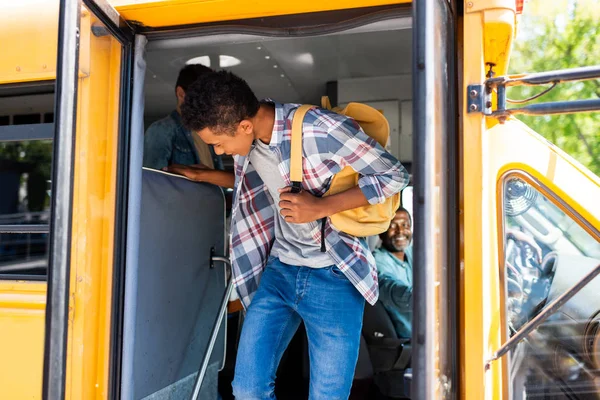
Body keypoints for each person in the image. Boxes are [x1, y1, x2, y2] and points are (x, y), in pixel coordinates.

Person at [180, 70, 409, 399]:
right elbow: (256, 184)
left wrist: (321, 207)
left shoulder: (321, 128)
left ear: (244, 125)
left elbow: (393, 174)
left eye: (218, 143)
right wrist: (202, 176)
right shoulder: (249, 142)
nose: (220, 151)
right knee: (247, 389)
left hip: (335, 276)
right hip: (280, 271)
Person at [143, 64, 234, 189]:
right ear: (181, 93)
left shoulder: (210, 131)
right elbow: (151, 185)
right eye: (202, 97)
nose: (209, 104)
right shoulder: (162, 130)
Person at [373, 206, 413, 339]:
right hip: (410, 342)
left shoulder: (413, 253)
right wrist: (424, 297)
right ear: (381, 231)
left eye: (405, 225)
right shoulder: (377, 261)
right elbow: (391, 289)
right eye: (393, 226)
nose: (400, 231)